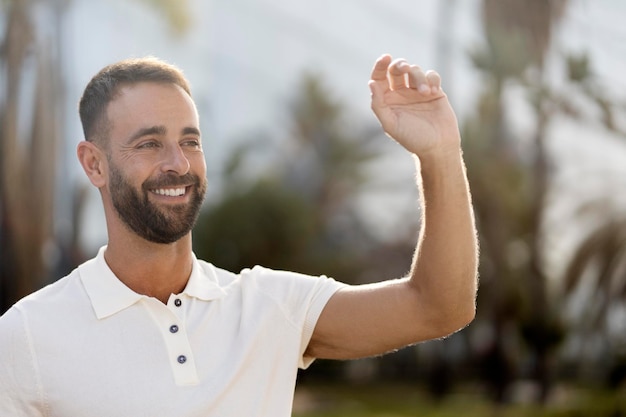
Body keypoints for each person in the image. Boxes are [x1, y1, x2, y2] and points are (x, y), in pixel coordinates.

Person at [0, 54, 478, 416]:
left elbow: (439, 307)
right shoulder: (27, 336)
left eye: (190, 141)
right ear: (94, 163)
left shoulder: (268, 307)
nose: (178, 163)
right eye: (149, 143)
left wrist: (439, 155)